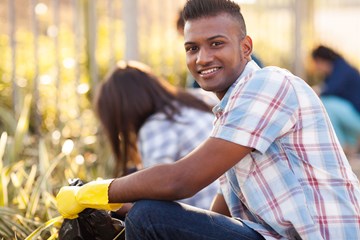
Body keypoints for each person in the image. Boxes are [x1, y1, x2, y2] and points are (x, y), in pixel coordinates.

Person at [56, 0, 360, 239]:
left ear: (245, 47)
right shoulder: (228, 114)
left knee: (148, 216)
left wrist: (94, 192)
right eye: (192, 48)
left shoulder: (269, 85)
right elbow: (220, 215)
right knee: (150, 217)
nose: (202, 58)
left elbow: (181, 180)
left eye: (216, 44)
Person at [92, 60, 218, 210]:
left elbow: (156, 194)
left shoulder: (156, 126)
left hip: (209, 216)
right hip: (234, 209)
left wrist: (111, 204)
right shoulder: (198, 98)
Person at [311, 45, 360, 152]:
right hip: (354, 116)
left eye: (316, 63)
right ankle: (349, 147)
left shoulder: (341, 69)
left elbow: (328, 90)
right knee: (332, 107)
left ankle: (340, 147)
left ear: (321, 60)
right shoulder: (338, 68)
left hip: (357, 118)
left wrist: (313, 90)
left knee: (325, 104)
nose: (316, 67)